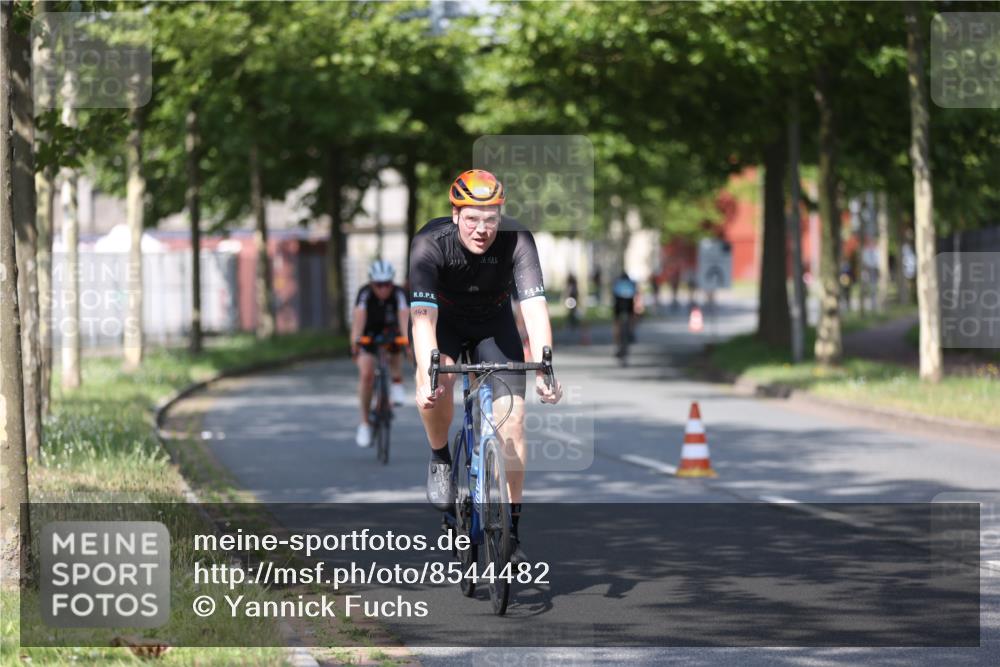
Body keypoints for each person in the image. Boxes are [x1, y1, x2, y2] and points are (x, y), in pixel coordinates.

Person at [409, 169, 563, 562]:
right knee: (436, 380)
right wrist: (427, 375)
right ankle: (441, 456)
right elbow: (423, 318)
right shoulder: (430, 242)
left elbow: (534, 308)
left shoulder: (517, 240)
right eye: (473, 218)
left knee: (514, 419)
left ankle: (511, 527)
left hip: (493, 325)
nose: (482, 228)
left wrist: (546, 367)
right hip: (444, 322)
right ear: (456, 214)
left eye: (491, 218)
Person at [350, 259, 409, 448]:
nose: (383, 289)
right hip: (369, 335)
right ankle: (365, 424)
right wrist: (355, 343)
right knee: (367, 374)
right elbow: (358, 320)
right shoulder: (365, 293)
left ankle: (396, 381)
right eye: (378, 285)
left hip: (391, 332)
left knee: (397, 347)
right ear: (371, 283)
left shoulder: (399, 294)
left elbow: (404, 318)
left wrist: (408, 344)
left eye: (387, 284)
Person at [612, 271, 639, 355]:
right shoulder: (631, 283)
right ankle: (631, 331)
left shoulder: (617, 283)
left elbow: (613, 294)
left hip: (618, 305)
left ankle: (617, 343)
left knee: (616, 323)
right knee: (632, 317)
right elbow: (636, 294)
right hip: (629, 304)